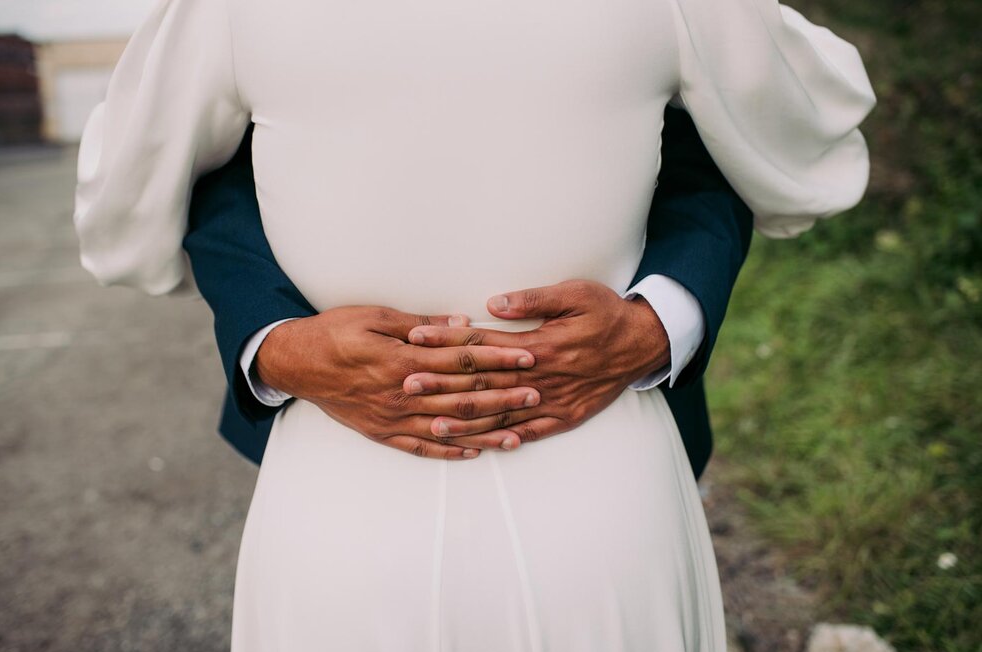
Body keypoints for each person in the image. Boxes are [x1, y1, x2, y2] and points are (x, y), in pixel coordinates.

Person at [73, 0, 874, 652]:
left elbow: (123, 210)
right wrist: (275, 339)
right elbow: (808, 129)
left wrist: (662, 318)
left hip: (574, 476)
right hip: (367, 481)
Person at [183, 107, 751, 478]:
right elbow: (211, 163)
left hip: (616, 418)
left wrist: (657, 324)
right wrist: (280, 346)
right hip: (332, 425)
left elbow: (718, 139)